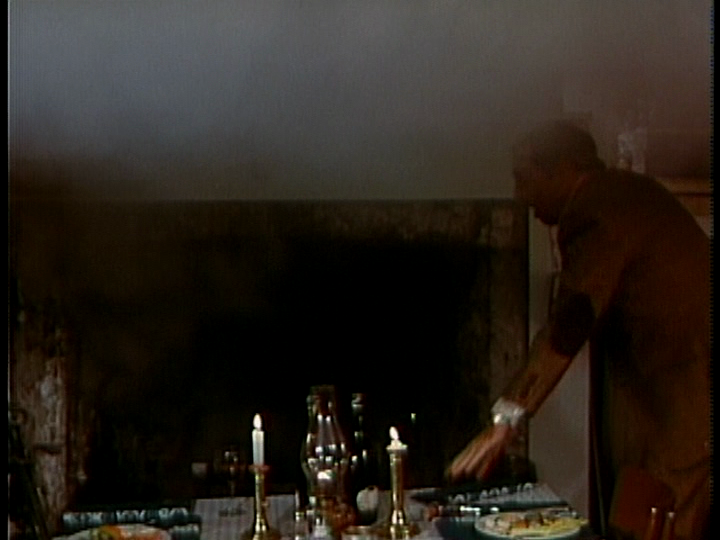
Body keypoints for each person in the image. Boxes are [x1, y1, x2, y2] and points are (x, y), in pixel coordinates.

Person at [447, 120, 710, 540]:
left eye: (525, 178)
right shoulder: (620, 193)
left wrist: (506, 420)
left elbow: (569, 322)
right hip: (678, 388)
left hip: (694, 390)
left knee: (663, 517)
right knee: (645, 508)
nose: (520, 195)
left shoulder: (597, 208)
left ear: (565, 169)